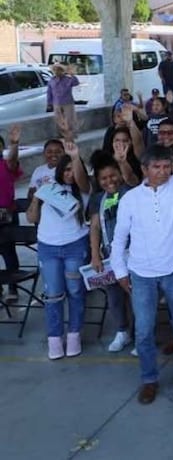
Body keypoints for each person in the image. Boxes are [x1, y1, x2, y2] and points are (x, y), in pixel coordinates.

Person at [110, 97, 173, 404]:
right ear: (145, 168)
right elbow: (118, 240)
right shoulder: (130, 200)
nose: (163, 172)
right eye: (157, 167)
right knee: (145, 332)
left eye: (166, 166)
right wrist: (121, 273)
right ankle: (149, 379)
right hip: (142, 274)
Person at [27, 147, 90, 360]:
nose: (70, 174)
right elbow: (31, 218)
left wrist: (74, 155)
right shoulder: (49, 187)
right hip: (48, 247)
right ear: (59, 170)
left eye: (74, 169)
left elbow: (81, 180)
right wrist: (37, 197)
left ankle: (74, 335)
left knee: (75, 291)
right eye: (66, 169)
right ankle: (54, 338)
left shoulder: (83, 190)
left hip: (75, 245)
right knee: (52, 295)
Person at [87, 153, 134, 353]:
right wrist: (95, 254)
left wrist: (123, 162)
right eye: (104, 178)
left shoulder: (130, 192)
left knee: (136, 297)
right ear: (98, 181)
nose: (109, 181)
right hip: (109, 256)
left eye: (113, 175)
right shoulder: (98, 198)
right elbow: (95, 227)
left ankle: (142, 335)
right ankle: (122, 331)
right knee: (114, 298)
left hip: (134, 255)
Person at [0, 126, 20, 304]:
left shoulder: (6, 165)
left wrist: (14, 144)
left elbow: (13, 160)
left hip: (5, 215)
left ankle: (13, 287)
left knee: (8, 251)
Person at [46, 63, 80, 132]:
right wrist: (49, 103)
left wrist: (72, 74)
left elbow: (76, 83)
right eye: (55, 70)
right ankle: (61, 135)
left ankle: (71, 134)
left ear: (62, 71)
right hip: (56, 103)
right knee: (59, 120)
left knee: (70, 120)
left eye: (58, 70)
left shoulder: (68, 79)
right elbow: (49, 93)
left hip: (67, 103)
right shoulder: (51, 81)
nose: (56, 72)